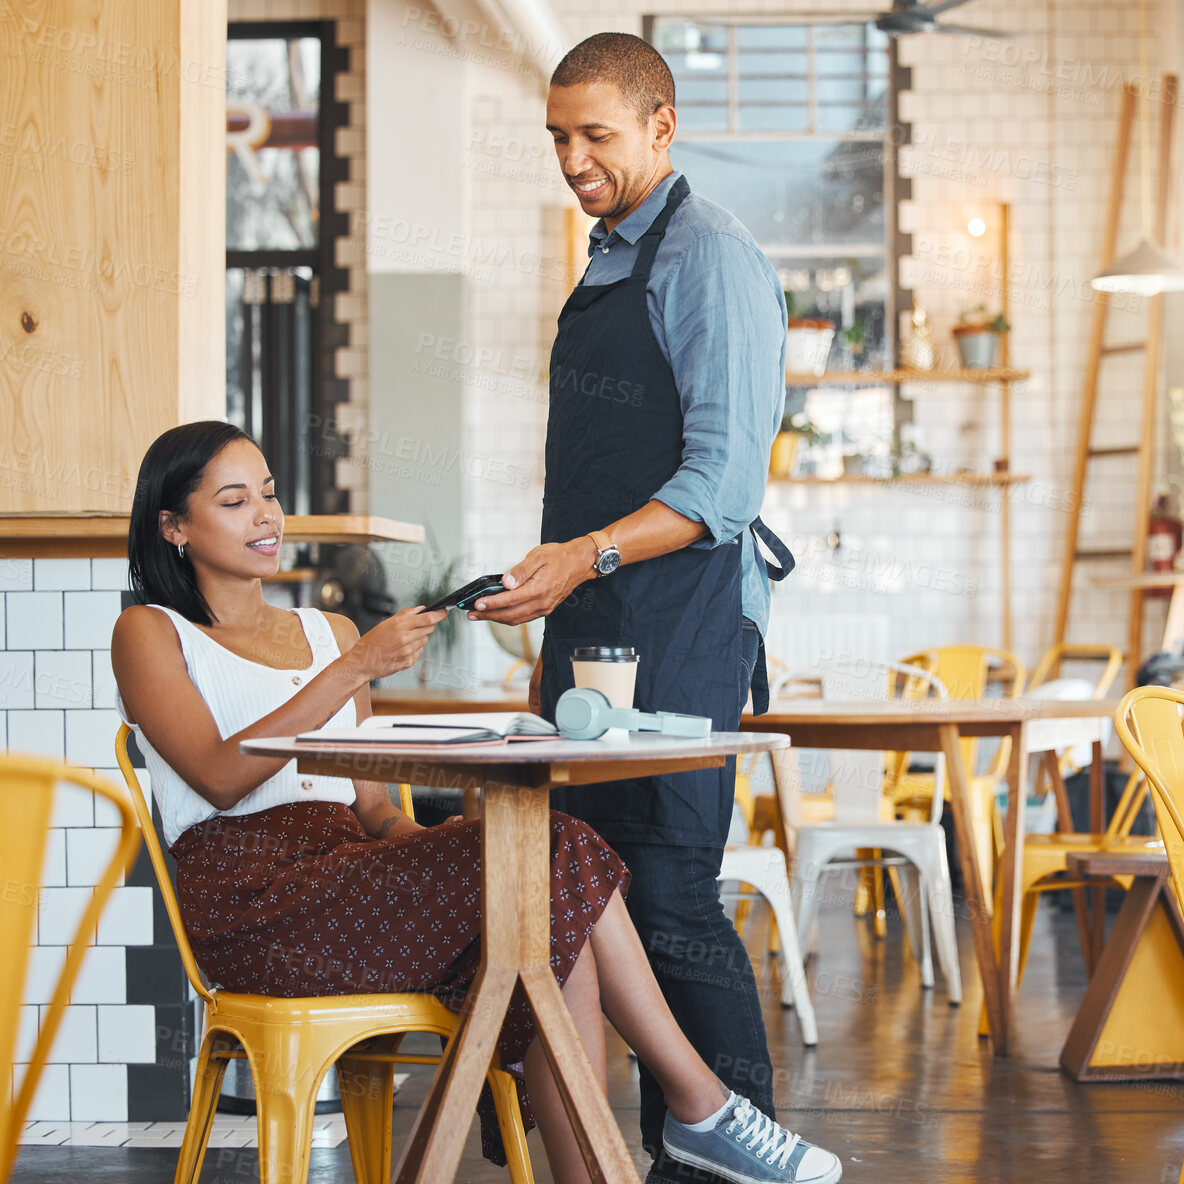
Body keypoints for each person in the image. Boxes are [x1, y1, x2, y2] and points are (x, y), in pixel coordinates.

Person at [110, 421, 840, 1184]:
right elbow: (219, 775)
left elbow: (372, 811)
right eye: (234, 501)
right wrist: (354, 669)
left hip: (344, 869)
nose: (267, 516)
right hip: (253, 904)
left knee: (543, 889)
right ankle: (701, 1108)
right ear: (173, 527)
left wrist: (437, 839)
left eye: (268, 494)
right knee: (553, 861)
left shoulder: (325, 631)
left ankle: (665, 1132)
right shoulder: (152, 633)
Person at [465, 33, 794, 1184]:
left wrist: (578, 555)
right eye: (558, 136)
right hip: (597, 615)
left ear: (661, 126)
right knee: (580, 884)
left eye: (595, 134)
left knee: (664, 888)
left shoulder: (709, 256)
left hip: (686, 617)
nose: (573, 157)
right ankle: (626, 1155)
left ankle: (733, 1145)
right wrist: (554, 578)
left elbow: (720, 488)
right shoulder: (612, 254)